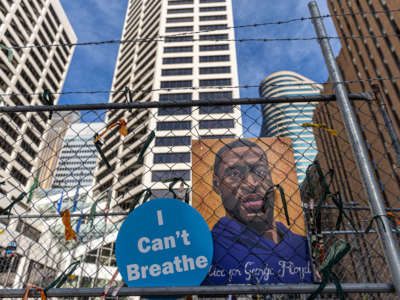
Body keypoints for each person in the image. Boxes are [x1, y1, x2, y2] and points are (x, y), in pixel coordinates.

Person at [203, 139, 313, 285]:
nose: (251, 183)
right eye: (235, 174)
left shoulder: (303, 245)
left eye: (260, 172)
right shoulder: (207, 250)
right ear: (217, 184)